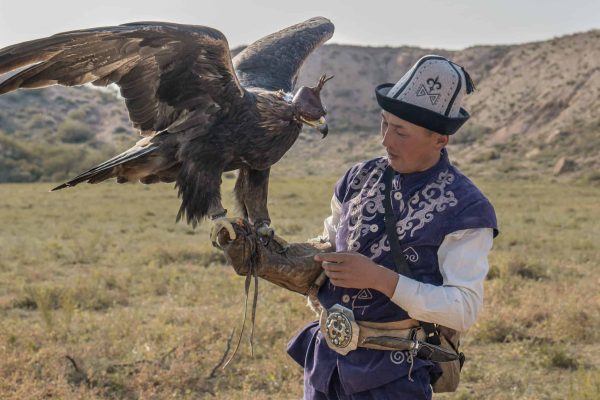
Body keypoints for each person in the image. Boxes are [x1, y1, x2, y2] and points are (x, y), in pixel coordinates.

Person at [286, 55, 499, 399]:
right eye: (384, 124)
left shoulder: (467, 208)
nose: (386, 140)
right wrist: (272, 256)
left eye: (401, 132)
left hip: (394, 376)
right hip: (326, 364)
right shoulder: (357, 178)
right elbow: (327, 245)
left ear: (440, 140)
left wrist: (381, 280)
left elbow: (463, 309)